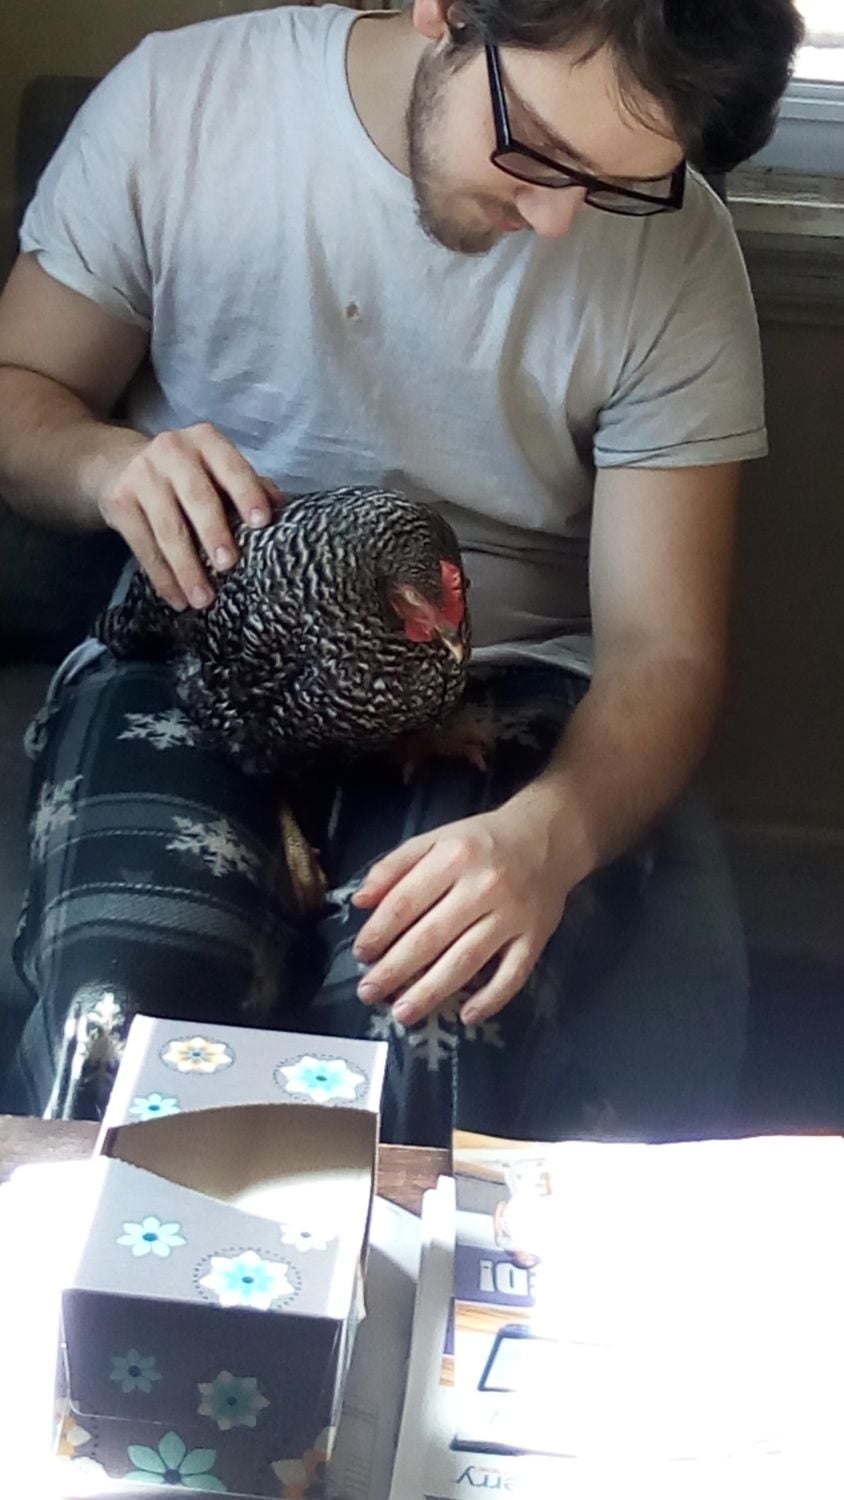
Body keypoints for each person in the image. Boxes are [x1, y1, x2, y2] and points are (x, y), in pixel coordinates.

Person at [0, 0, 803, 1142]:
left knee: (422, 1057)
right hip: (202, 639)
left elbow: (662, 649)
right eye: (536, 149)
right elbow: (21, 393)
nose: (555, 220)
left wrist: (549, 837)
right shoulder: (185, 106)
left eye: (615, 185)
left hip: (499, 679)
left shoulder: (679, 257)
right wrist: (103, 464)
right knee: (125, 1033)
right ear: (445, 12)